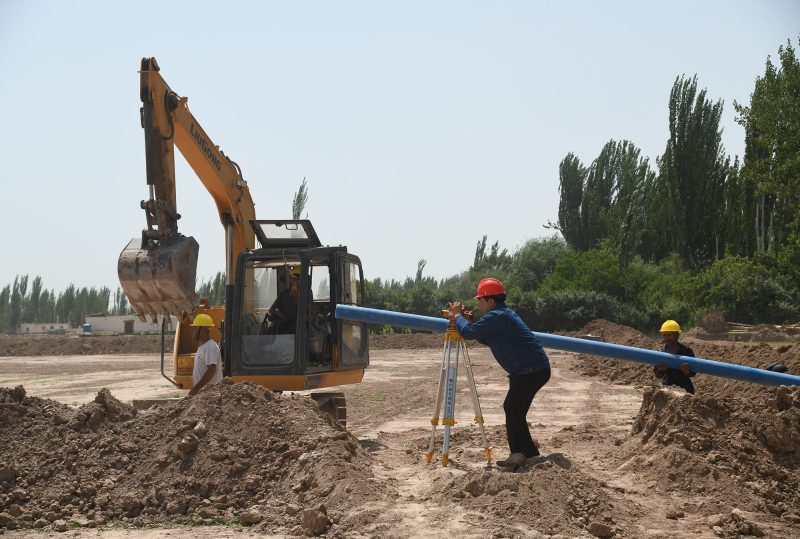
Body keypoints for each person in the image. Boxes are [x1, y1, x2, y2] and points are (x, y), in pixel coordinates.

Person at [448, 278, 550, 466]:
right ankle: (530, 454)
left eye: (480, 300)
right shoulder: (501, 314)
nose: (478, 304)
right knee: (515, 410)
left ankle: (518, 454)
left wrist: (457, 316)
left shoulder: (497, 316)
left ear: (491, 302)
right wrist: (470, 323)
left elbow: (468, 334)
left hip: (529, 370)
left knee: (512, 408)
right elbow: (486, 339)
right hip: (532, 369)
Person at [654, 320, 696, 394]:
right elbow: (657, 375)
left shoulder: (687, 351)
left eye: (669, 335)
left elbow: (694, 372)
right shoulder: (660, 353)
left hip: (685, 391)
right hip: (667, 390)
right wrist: (661, 371)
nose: (666, 338)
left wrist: (687, 372)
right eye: (664, 335)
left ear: (677, 335)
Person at [268, 267, 315, 334]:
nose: (295, 281)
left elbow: (313, 310)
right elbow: (271, 309)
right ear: (290, 279)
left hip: (300, 322)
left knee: (293, 329)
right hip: (285, 321)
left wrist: (299, 298)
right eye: (294, 278)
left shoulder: (307, 293)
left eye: (298, 279)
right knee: (274, 327)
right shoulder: (284, 293)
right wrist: (279, 314)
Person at [188, 314, 223, 396]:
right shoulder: (203, 347)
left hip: (211, 395)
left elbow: (211, 370)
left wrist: (196, 389)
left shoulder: (210, 347)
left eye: (194, 328)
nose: (191, 331)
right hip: (205, 395)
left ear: (202, 332)